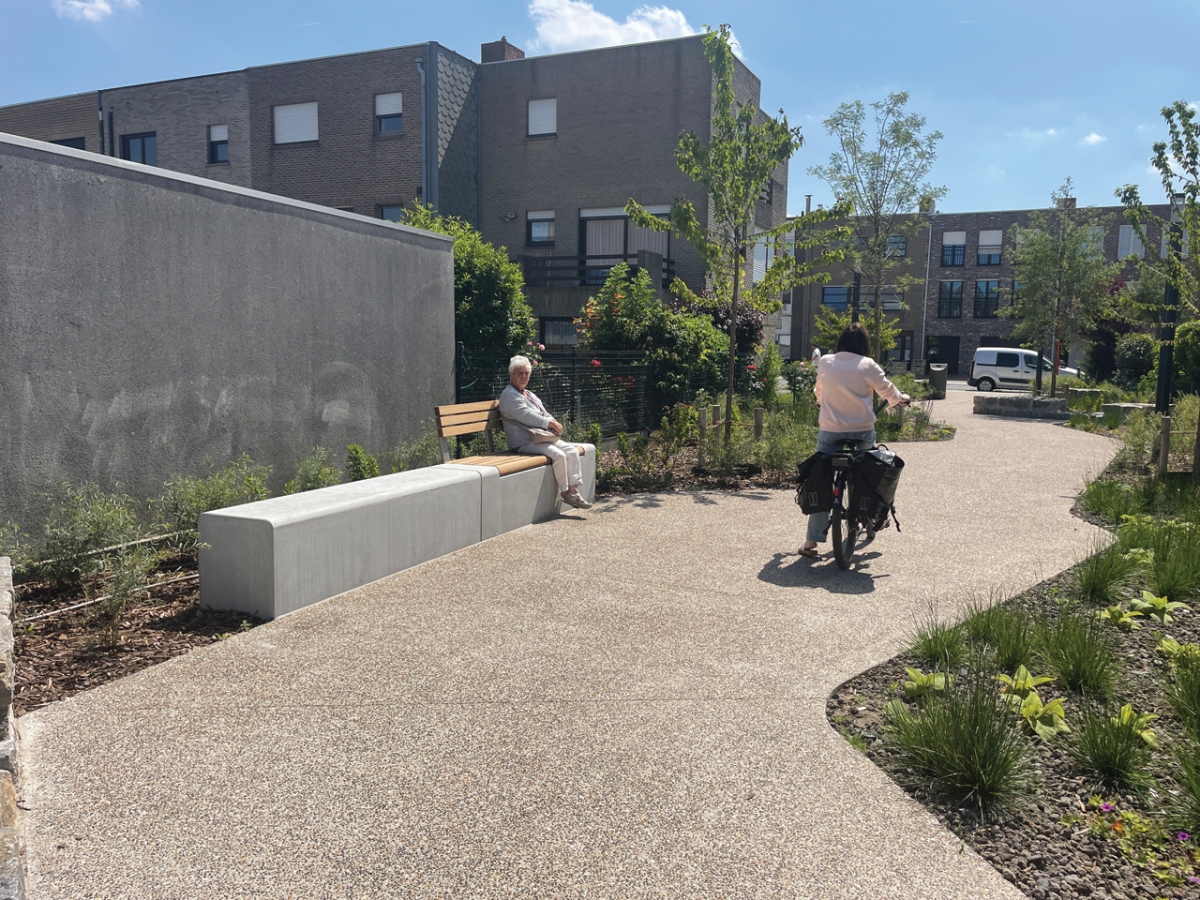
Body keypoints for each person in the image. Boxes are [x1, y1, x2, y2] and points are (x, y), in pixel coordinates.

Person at [800, 323, 908, 558]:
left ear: (840, 342)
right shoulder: (867, 364)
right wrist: (901, 398)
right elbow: (887, 390)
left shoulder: (827, 361)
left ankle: (811, 542)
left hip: (831, 430)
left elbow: (819, 390)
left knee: (820, 476)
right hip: (861, 430)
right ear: (864, 344)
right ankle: (875, 515)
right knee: (869, 472)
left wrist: (821, 402)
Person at [499, 355, 593, 510]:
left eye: (526, 373)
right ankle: (565, 493)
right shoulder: (509, 394)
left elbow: (543, 412)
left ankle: (574, 490)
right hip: (523, 443)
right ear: (511, 374)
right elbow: (525, 415)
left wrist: (553, 422)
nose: (523, 376)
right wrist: (548, 423)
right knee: (559, 455)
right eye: (519, 373)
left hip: (540, 438)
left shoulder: (529, 394)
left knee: (572, 452)